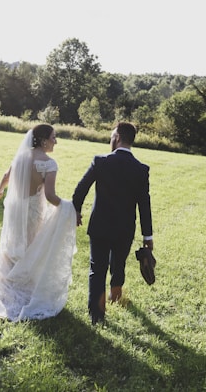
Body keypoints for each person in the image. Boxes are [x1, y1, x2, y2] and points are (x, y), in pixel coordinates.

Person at [0, 124, 77, 321]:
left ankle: (4, 287)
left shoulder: (21, 156)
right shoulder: (49, 164)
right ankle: (22, 288)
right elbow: (51, 196)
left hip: (15, 210)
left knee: (12, 245)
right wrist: (69, 208)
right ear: (44, 140)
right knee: (29, 247)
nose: (56, 141)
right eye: (54, 137)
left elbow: (5, 178)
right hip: (33, 212)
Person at [72, 122, 153, 325]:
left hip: (100, 226)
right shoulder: (141, 169)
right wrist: (147, 236)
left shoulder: (100, 161)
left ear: (117, 137)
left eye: (111, 137)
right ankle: (115, 294)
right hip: (125, 229)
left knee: (97, 269)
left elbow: (81, 188)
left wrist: (76, 211)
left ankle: (97, 315)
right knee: (119, 262)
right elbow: (144, 204)